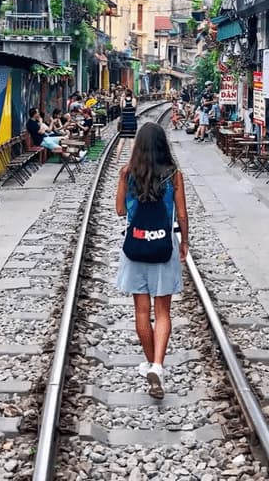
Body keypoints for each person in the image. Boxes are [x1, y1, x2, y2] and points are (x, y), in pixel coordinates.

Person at [115, 123, 188, 399]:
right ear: (162, 145)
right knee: (163, 313)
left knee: (142, 312)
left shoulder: (128, 174)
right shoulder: (174, 175)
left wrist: (123, 182)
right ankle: (157, 365)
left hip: (135, 247)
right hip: (162, 247)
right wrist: (185, 243)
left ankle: (151, 365)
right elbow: (181, 215)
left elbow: (121, 211)